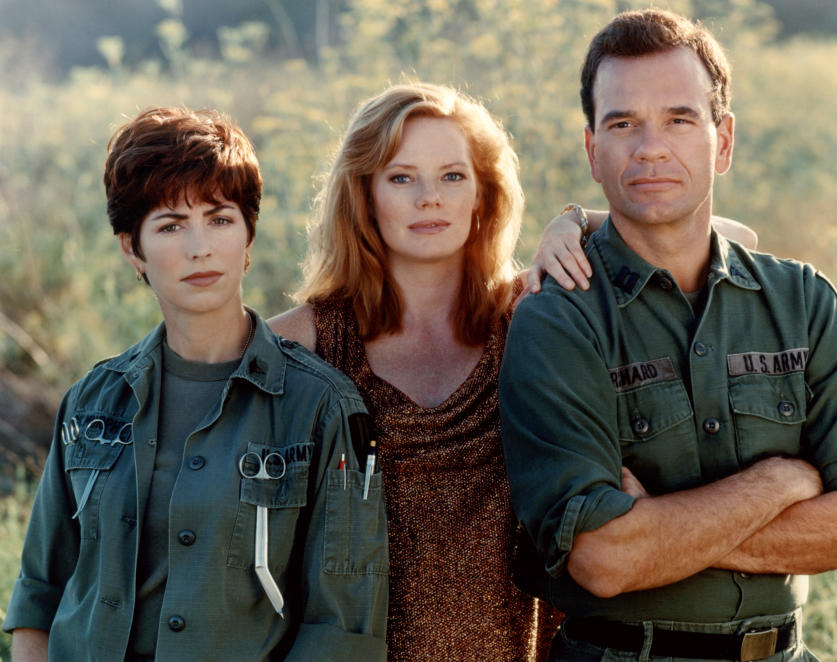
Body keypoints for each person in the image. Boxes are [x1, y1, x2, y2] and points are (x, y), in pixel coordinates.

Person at [269, 82, 757, 661]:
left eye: (453, 176)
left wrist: (576, 223)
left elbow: (734, 239)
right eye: (401, 177)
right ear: (365, 195)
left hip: (523, 646)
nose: (430, 198)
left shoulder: (531, 315)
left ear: (482, 195)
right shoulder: (300, 342)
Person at [499, 9, 837, 662]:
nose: (650, 147)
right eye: (622, 123)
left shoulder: (802, 301)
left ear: (723, 141)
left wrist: (659, 530)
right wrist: (778, 484)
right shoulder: (559, 319)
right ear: (592, 151)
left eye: (679, 118)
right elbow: (604, 558)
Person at [2, 107, 388, 662]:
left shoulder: (321, 408)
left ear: (249, 236)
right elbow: (40, 593)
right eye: (171, 226)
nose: (199, 247)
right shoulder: (91, 402)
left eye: (220, 218)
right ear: (132, 249)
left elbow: (342, 627)